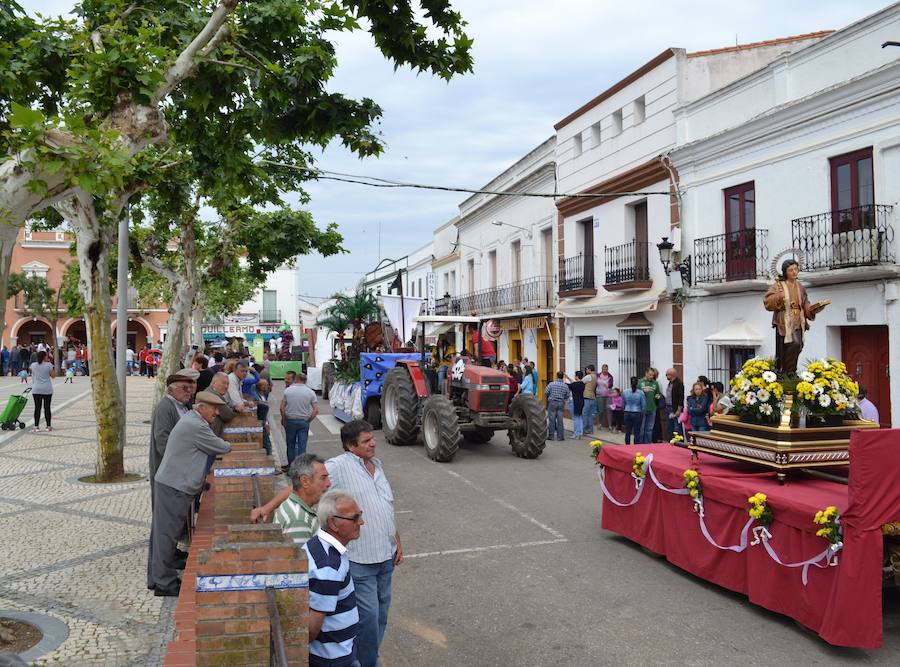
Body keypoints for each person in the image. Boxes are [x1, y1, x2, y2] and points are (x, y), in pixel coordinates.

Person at [149, 391, 231, 596]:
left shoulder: (192, 420)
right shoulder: (196, 426)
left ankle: (156, 578)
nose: (216, 412)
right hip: (174, 485)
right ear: (201, 407)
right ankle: (163, 583)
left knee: (161, 535)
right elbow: (222, 446)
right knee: (166, 536)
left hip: (172, 483)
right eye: (213, 408)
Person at [303, 489, 363, 667]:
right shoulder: (330, 567)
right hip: (334, 658)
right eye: (354, 518)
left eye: (360, 515)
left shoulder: (317, 544)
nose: (361, 522)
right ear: (334, 524)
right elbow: (312, 628)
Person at [763, 259, 829, 375]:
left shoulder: (800, 287)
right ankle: (785, 371)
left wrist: (814, 308)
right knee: (793, 343)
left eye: (795, 269)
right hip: (784, 319)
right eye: (790, 270)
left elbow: (805, 304)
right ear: (785, 272)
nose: (794, 272)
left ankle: (791, 371)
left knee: (799, 346)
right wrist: (779, 296)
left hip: (798, 319)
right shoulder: (778, 286)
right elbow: (767, 302)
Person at [273, 454, 332, 547]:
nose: (329, 483)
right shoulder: (298, 520)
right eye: (323, 478)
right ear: (305, 481)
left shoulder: (296, 508)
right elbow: (301, 560)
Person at [281, 372, 318, 466]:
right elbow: (316, 410)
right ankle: (301, 467)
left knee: (291, 445)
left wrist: (284, 419)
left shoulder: (288, 390)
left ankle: (291, 466)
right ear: (305, 381)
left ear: (296, 379)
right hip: (303, 421)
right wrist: (309, 419)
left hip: (290, 420)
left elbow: (282, 408)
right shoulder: (310, 392)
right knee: (302, 445)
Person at [30, 350, 55, 432]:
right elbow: (53, 376)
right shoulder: (49, 365)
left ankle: (36, 426)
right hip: (47, 389)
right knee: (47, 408)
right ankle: (48, 426)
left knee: (37, 408)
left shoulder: (33, 365)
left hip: (36, 389)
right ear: (45, 357)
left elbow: (32, 372)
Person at [544, 371, 571, 442]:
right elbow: (568, 395)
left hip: (552, 402)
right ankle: (560, 437)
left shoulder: (551, 384)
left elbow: (545, 392)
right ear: (562, 377)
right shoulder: (565, 386)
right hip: (561, 403)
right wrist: (563, 399)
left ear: (557, 376)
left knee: (552, 419)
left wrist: (551, 395)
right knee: (560, 420)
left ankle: (551, 436)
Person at [637, 368, 660, 444]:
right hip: (642, 409)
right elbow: (635, 394)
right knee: (642, 428)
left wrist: (658, 395)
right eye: (650, 375)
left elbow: (658, 393)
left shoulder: (655, 383)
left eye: (652, 375)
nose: (651, 377)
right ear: (646, 373)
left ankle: (648, 444)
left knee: (649, 429)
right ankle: (640, 444)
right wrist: (642, 391)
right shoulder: (640, 382)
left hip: (652, 408)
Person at [622, 377, 646, 445]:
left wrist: (625, 410)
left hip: (627, 412)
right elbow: (643, 405)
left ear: (630, 383)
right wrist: (642, 412)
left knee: (628, 431)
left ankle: (627, 446)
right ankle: (636, 447)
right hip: (637, 412)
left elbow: (623, 404)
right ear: (637, 383)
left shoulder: (625, 392)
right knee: (637, 432)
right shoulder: (641, 392)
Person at [565, 371, 586, 439]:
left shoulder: (574, 385)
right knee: (580, 417)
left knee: (575, 418)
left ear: (577, 376)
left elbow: (568, 385)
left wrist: (563, 379)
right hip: (581, 401)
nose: (574, 376)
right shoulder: (582, 384)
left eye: (575, 375)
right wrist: (568, 378)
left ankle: (576, 433)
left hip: (575, 402)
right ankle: (580, 433)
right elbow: (573, 383)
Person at [596, 364, 614, 430]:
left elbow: (611, 385)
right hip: (599, 396)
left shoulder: (610, 376)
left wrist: (608, 386)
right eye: (604, 369)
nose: (605, 371)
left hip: (608, 396)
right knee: (601, 410)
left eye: (606, 369)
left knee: (609, 410)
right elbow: (595, 384)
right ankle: (600, 423)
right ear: (602, 369)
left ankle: (610, 426)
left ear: (607, 369)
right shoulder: (598, 375)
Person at [582, 365, 597, 435]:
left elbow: (581, 382)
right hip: (593, 396)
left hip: (587, 396)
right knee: (590, 414)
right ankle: (591, 430)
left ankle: (584, 429)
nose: (586, 370)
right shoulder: (595, 376)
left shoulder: (588, 376)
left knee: (585, 414)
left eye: (587, 369)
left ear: (590, 369)